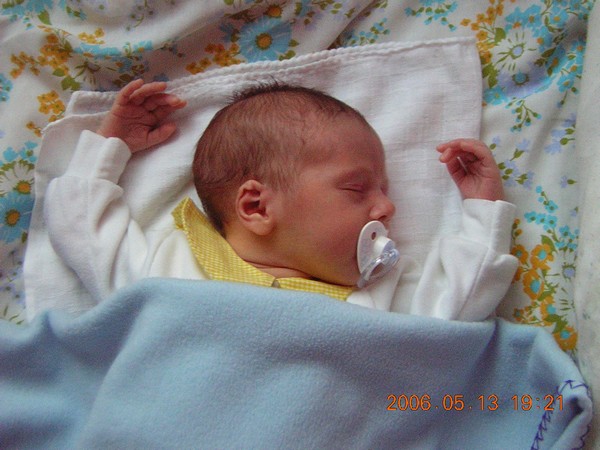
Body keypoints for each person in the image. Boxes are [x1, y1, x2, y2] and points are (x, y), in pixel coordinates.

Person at [45, 79, 518, 320]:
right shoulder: (168, 266)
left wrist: (482, 209)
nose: (387, 209)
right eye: (358, 188)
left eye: (385, 191)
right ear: (256, 207)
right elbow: (80, 227)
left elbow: (460, 301)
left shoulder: (381, 293)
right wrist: (112, 145)